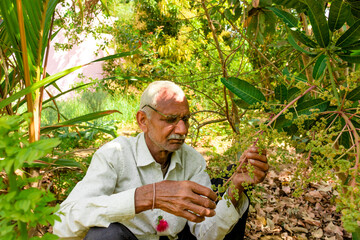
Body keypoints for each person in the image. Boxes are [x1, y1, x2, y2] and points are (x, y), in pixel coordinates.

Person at [53, 81, 269, 240]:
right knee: (104, 235)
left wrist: (235, 188)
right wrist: (146, 196)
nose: (182, 129)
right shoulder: (115, 154)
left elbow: (206, 234)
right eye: (170, 120)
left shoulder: (192, 161)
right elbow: (62, 224)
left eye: (185, 119)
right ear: (143, 121)